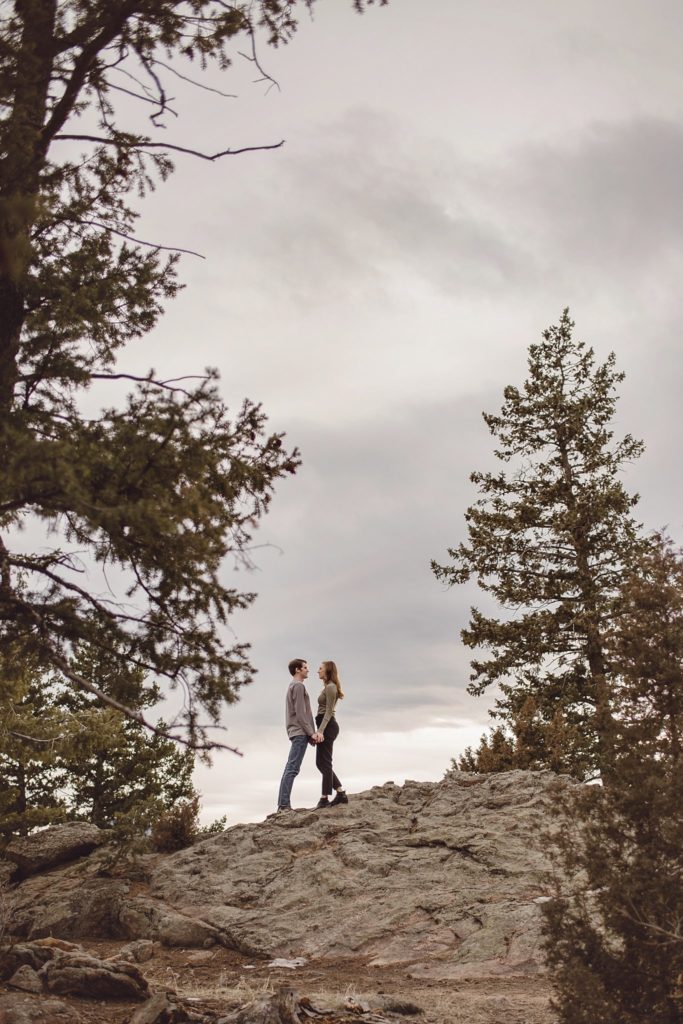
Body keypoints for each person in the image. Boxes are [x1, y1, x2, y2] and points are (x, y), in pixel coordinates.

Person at [276, 658, 322, 812]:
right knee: (292, 768)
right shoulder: (298, 686)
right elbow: (301, 714)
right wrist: (311, 733)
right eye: (305, 667)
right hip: (300, 732)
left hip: (297, 732)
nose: (308, 670)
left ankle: (282, 804)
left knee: (290, 767)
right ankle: (283, 805)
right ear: (297, 669)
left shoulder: (292, 686)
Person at [314, 660, 348, 809]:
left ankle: (324, 798)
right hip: (324, 725)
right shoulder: (328, 687)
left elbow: (328, 712)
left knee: (325, 762)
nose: (318, 671)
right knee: (320, 763)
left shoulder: (331, 687)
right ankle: (340, 792)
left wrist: (320, 730)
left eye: (320, 668)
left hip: (328, 726)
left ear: (327, 671)